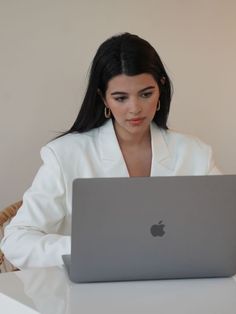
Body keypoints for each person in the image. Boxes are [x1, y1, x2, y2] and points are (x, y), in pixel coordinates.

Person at [0, 33, 220, 269]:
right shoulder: (65, 155)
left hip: (178, 290)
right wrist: (90, 250)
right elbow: (17, 239)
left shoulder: (195, 153)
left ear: (161, 89)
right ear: (103, 98)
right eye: (120, 97)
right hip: (90, 297)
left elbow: (224, 227)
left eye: (146, 94)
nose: (135, 108)